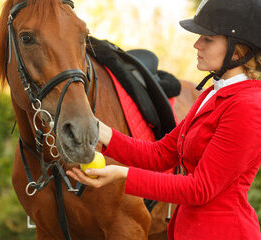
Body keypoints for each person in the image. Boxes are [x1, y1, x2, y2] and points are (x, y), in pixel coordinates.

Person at [66, 0, 261, 239]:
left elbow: (200, 189)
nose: (196, 44)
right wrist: (99, 130)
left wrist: (121, 174)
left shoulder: (248, 107)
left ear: (238, 49)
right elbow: (161, 154)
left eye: (208, 39)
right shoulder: (212, 94)